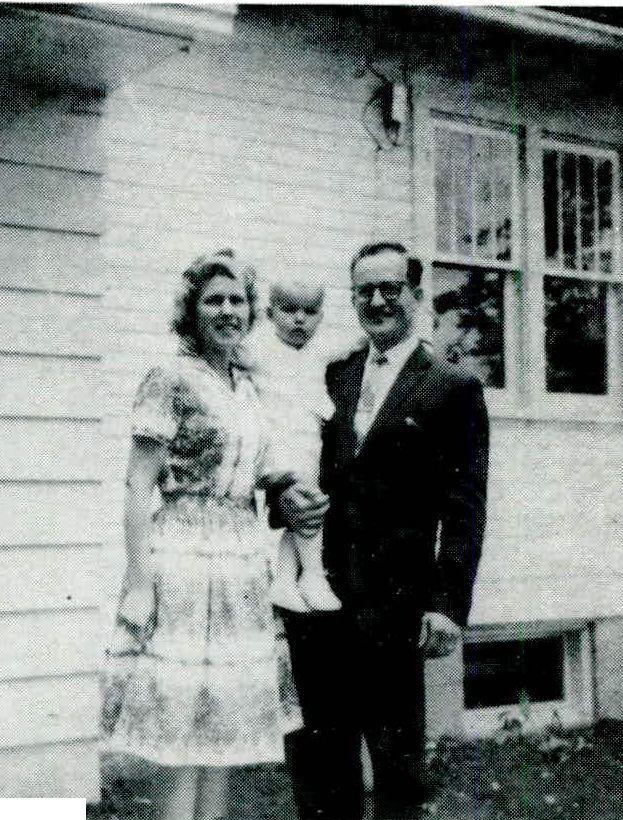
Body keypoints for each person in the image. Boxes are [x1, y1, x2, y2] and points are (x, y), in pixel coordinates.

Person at [273, 242, 489, 820]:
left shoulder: (452, 387)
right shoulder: (334, 375)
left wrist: (447, 605)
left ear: (415, 296)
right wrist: (281, 503)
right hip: (318, 605)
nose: (376, 301)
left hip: (396, 606)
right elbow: (291, 456)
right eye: (363, 290)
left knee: (397, 768)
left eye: (389, 289)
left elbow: (465, 507)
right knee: (320, 763)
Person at [101, 250, 301, 820]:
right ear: (191, 310)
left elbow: (254, 472)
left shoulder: (248, 385)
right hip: (182, 558)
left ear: (252, 310)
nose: (227, 311)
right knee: (182, 724)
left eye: (238, 300)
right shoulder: (169, 378)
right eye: (214, 300)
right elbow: (138, 486)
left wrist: (290, 492)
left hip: (240, 560)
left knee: (223, 728)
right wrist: (139, 583)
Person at [246, 279, 341, 612]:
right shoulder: (259, 349)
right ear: (270, 314)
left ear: (320, 316)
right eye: (289, 310)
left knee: (298, 516)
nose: (300, 319)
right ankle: (313, 575)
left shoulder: (319, 351)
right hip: (280, 446)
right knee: (308, 507)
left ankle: (286, 580)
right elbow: (230, 353)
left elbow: (351, 346)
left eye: (309, 312)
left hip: (308, 444)